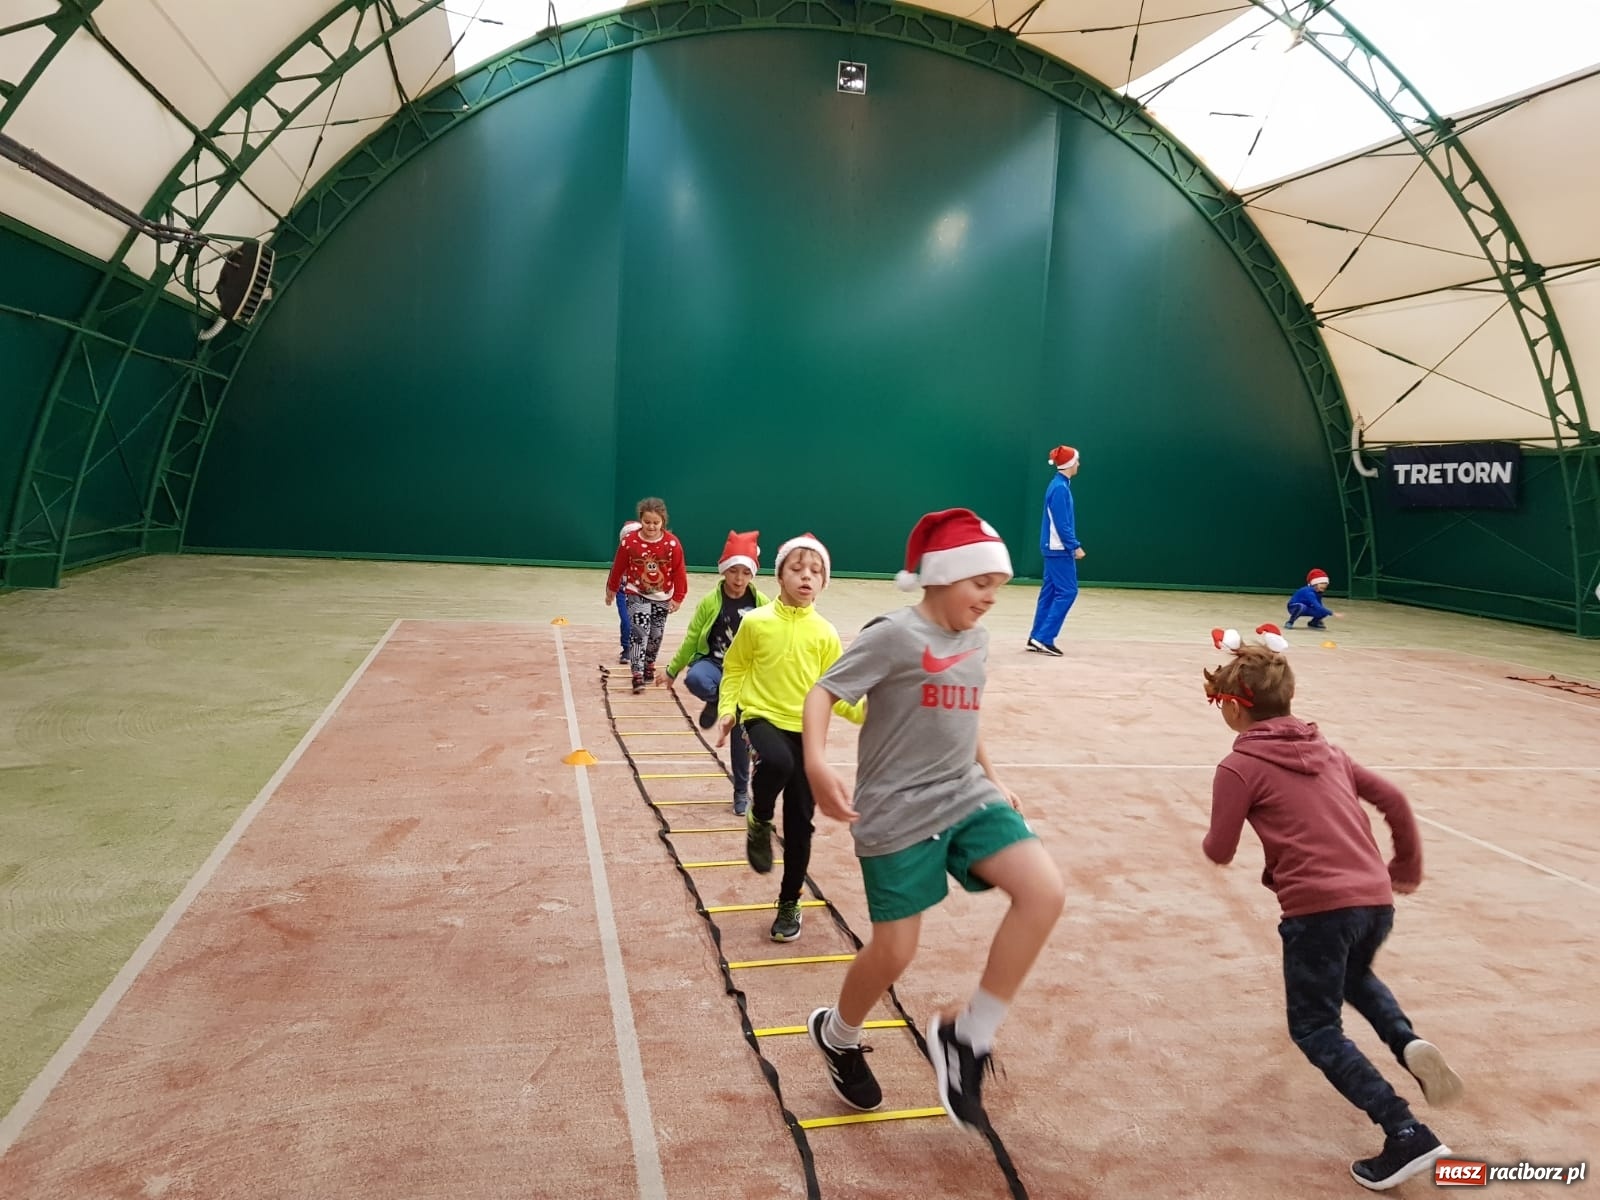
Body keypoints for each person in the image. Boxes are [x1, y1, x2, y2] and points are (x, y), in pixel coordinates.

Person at [802, 509, 1066, 1134]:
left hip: (965, 794)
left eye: (997, 587)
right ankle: (838, 1035)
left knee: (1044, 892)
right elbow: (824, 692)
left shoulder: (977, 640)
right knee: (895, 951)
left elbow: (964, 717)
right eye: (981, 583)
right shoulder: (893, 635)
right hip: (895, 810)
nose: (990, 598)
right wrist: (816, 762)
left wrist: (993, 776)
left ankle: (968, 1037)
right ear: (942, 577)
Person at [1201, 640, 1463, 1191]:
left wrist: (1213, 841)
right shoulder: (1331, 751)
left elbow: (1220, 849)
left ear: (1234, 707)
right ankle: (1405, 1042)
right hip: (1375, 901)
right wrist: (1405, 865)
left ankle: (1406, 1132)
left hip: (1317, 911)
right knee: (1354, 975)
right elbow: (1394, 800)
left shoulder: (1239, 766)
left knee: (1315, 1028)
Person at [714, 533, 862, 942]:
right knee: (777, 762)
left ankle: (789, 901)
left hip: (808, 734)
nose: (806, 577)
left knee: (800, 822)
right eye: (797, 569)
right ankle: (760, 817)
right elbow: (735, 668)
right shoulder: (755, 622)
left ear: (824, 582)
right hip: (760, 717)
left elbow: (838, 692)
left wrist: (877, 713)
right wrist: (728, 711)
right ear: (779, 576)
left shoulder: (825, 633)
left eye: (815, 571)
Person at [661, 530, 769, 815]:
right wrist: (672, 669)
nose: (739, 579)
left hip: (744, 677)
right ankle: (717, 700)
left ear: (752, 575)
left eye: (745, 573)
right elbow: (692, 638)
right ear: (724, 571)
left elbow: (775, 639)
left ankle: (740, 791)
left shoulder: (762, 603)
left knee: (739, 734)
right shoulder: (710, 602)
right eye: (733, 571)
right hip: (714, 666)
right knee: (695, 679)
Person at [604, 498, 688, 693]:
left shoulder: (672, 543)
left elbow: (679, 571)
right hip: (636, 593)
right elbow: (618, 566)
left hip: (662, 596)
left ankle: (649, 663)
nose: (651, 526)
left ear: (663, 521)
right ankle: (637, 674)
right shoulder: (629, 542)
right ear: (641, 520)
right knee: (639, 632)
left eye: (656, 522)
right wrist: (612, 588)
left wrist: (678, 597)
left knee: (655, 635)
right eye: (647, 522)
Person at [1026, 445, 1084, 657]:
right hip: (1059, 549)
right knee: (1068, 591)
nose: (1079, 464)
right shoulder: (1060, 489)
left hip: (1053, 548)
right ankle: (1044, 638)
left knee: (1049, 593)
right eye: (1077, 461)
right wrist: (1074, 545)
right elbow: (1062, 523)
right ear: (1070, 464)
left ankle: (1036, 637)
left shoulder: (1059, 485)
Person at [615, 520, 642, 664]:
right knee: (626, 621)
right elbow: (614, 575)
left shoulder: (645, 558)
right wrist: (610, 590)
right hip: (623, 593)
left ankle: (641, 650)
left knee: (642, 623)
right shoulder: (621, 557)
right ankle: (626, 649)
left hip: (640, 594)